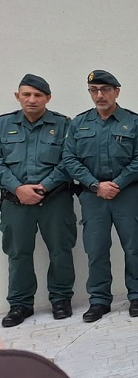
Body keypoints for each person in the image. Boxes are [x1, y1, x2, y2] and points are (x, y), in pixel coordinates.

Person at [62, 70, 138, 322]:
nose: (99, 95)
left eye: (105, 89)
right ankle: (99, 300)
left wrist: (118, 183)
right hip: (93, 197)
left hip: (127, 195)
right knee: (97, 250)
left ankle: (137, 296)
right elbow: (69, 158)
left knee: (134, 247)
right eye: (94, 90)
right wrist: (94, 184)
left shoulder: (134, 122)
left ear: (117, 91)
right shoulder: (79, 123)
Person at [0, 74, 75, 327]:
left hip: (54, 201)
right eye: (26, 94)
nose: (32, 100)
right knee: (18, 253)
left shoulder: (64, 124)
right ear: (17, 96)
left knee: (61, 251)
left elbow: (70, 161)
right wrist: (17, 188)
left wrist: (44, 187)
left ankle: (61, 299)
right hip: (15, 202)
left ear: (48, 98)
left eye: (38, 95)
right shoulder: (3, 125)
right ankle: (20, 304)